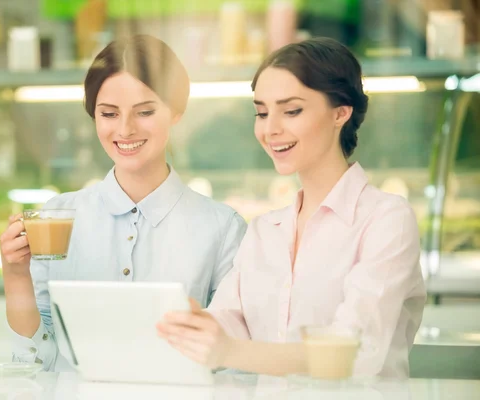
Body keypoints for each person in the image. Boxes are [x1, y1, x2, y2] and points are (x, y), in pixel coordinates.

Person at [157, 37, 426, 378]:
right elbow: (230, 320)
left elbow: (353, 353)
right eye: (261, 112)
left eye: (292, 110)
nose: (270, 129)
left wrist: (230, 350)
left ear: (340, 112)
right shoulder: (263, 231)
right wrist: (188, 325)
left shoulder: (386, 219)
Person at [0, 34, 247, 371]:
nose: (125, 129)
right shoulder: (57, 217)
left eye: (144, 111)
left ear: (176, 112)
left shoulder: (222, 228)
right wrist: (15, 274)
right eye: (109, 113)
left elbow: (231, 362)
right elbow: (38, 360)